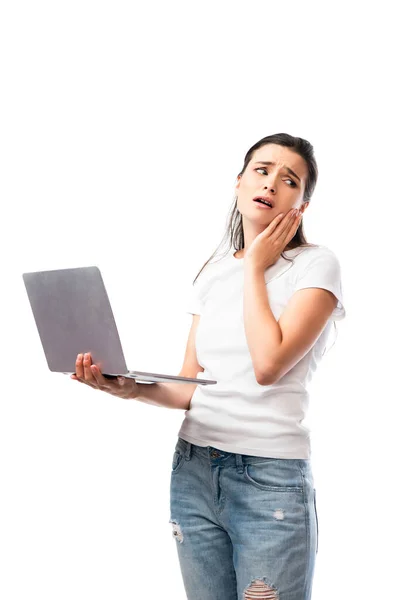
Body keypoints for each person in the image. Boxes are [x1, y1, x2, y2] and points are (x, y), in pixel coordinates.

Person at [72, 133, 346, 600]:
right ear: (239, 183)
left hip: (270, 480)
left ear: (302, 204)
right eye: (262, 171)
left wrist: (255, 268)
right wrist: (127, 387)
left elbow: (268, 365)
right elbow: (190, 386)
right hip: (194, 468)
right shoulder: (214, 271)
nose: (271, 183)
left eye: (289, 180)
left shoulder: (315, 266)